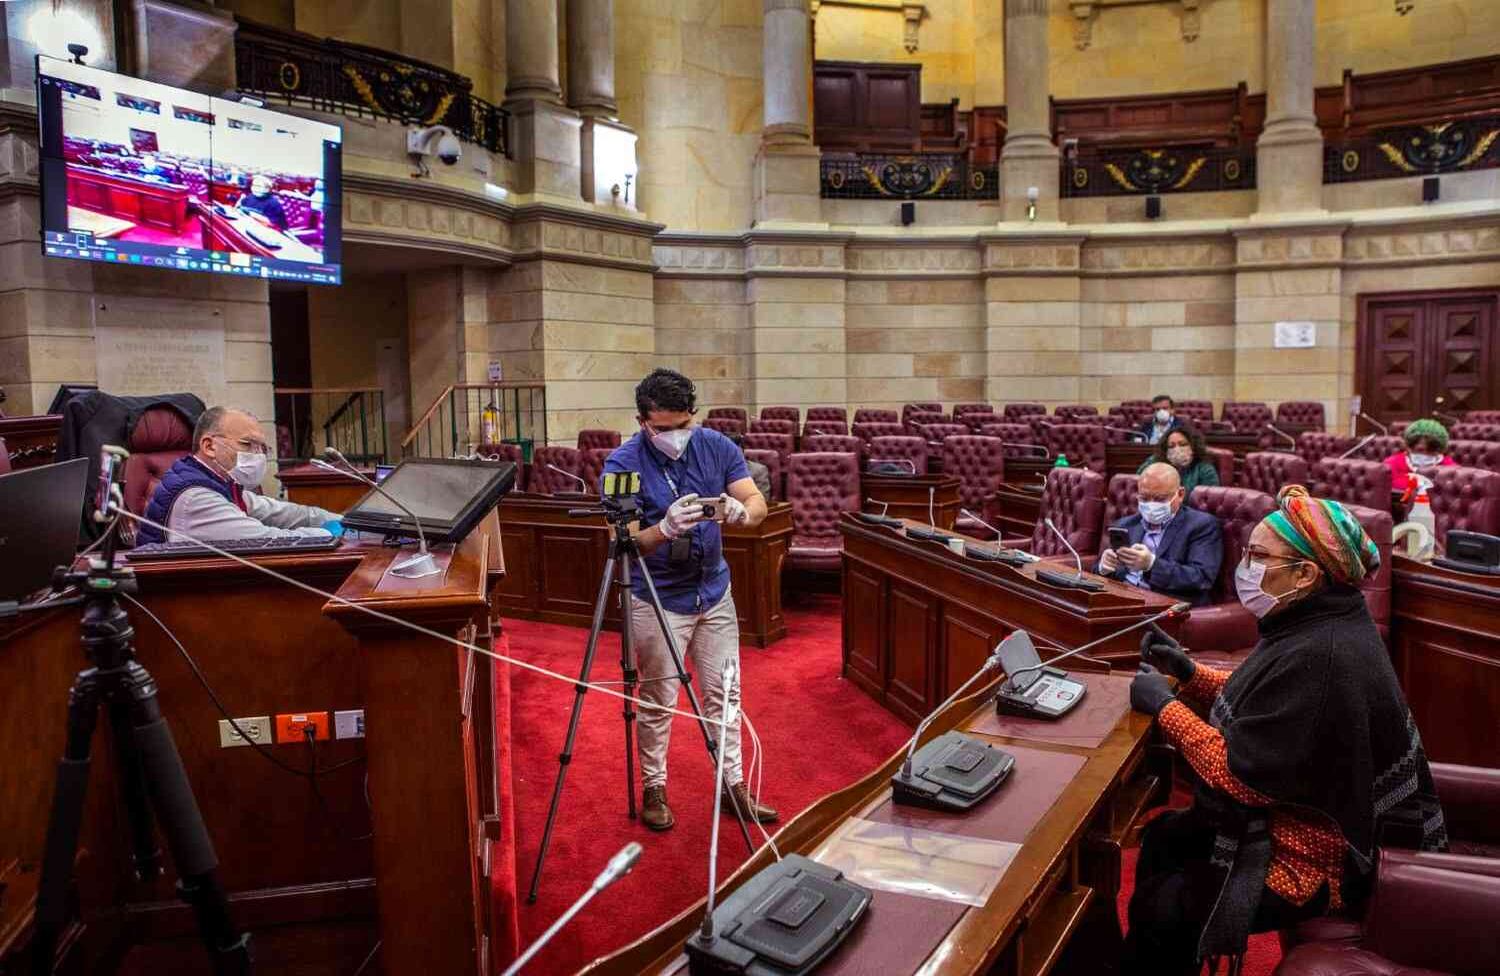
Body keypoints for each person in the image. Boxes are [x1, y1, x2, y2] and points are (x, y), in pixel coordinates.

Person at [1123, 486, 1446, 975]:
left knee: (1164, 908)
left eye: (1257, 555)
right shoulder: (1319, 616)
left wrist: (1166, 707)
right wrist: (1188, 674)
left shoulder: (1324, 652)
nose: (1246, 566)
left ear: (1305, 573)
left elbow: (1240, 774)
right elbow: (1267, 700)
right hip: (1294, 814)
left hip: (1318, 855)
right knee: (1165, 836)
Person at [602, 368, 777, 831]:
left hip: (714, 591)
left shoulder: (717, 446)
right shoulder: (622, 463)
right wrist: (664, 529)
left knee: (726, 694)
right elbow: (621, 541)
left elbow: (756, 503)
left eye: (684, 425)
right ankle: (654, 786)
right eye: (663, 429)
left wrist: (743, 513)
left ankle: (733, 786)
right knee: (660, 697)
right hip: (657, 598)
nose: (676, 436)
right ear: (643, 421)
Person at [134, 407, 340, 545]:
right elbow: (267, 541)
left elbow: (280, 512)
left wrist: (347, 522)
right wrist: (332, 534)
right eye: (246, 444)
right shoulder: (196, 498)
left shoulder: (220, 483)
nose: (257, 455)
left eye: (261, 448)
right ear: (209, 446)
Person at [1097, 462, 1223, 605]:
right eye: (1144, 498)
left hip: (1164, 606)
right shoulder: (1125, 524)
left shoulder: (1202, 525)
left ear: (1180, 494)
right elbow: (1101, 571)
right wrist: (1104, 567)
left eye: (1160, 499)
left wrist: (1151, 564)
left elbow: (1201, 578)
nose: (1151, 505)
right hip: (1122, 598)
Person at [1136, 422, 1219, 495]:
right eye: (1171, 446)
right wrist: (1156, 460)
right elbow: (1138, 480)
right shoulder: (1157, 461)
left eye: (1182, 444)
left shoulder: (1205, 469)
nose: (1177, 449)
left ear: (1193, 447)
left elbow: (1207, 499)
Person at [1384, 417, 1456, 492]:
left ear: (1440, 450)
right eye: (1420, 450)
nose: (1425, 454)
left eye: (1430, 450)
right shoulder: (1391, 465)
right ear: (1409, 447)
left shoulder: (1450, 469)